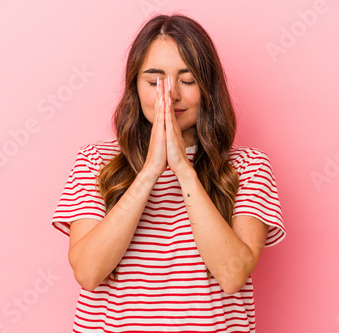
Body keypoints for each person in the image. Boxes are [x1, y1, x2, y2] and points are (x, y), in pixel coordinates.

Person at [52, 13, 285, 332]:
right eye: (155, 81)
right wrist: (149, 171)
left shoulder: (248, 168)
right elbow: (89, 272)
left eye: (188, 81)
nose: (171, 94)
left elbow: (232, 276)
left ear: (208, 89)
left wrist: (183, 169)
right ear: (135, 86)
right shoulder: (96, 161)